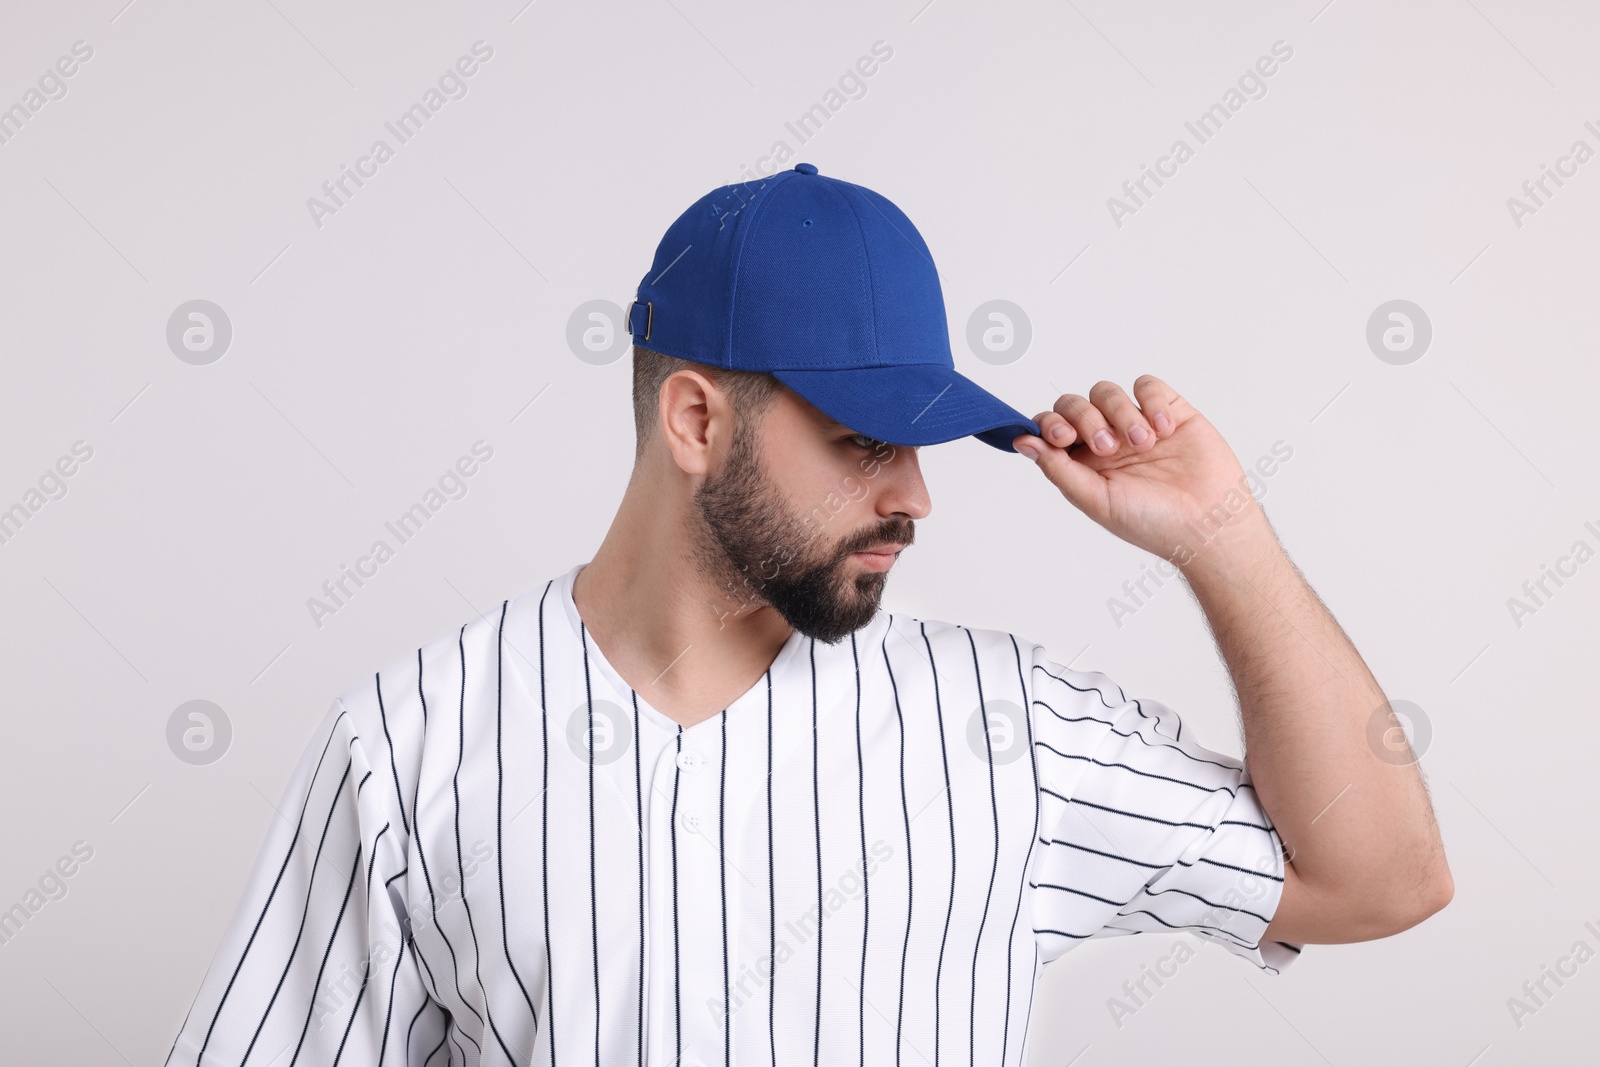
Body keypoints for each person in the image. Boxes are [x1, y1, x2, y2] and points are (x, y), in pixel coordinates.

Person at [164, 162, 1451, 1067]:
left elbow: (1381, 878)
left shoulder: (1008, 729)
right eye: (861, 443)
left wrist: (1223, 539)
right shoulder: (412, 745)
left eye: (923, 439)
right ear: (695, 420)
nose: (917, 496)